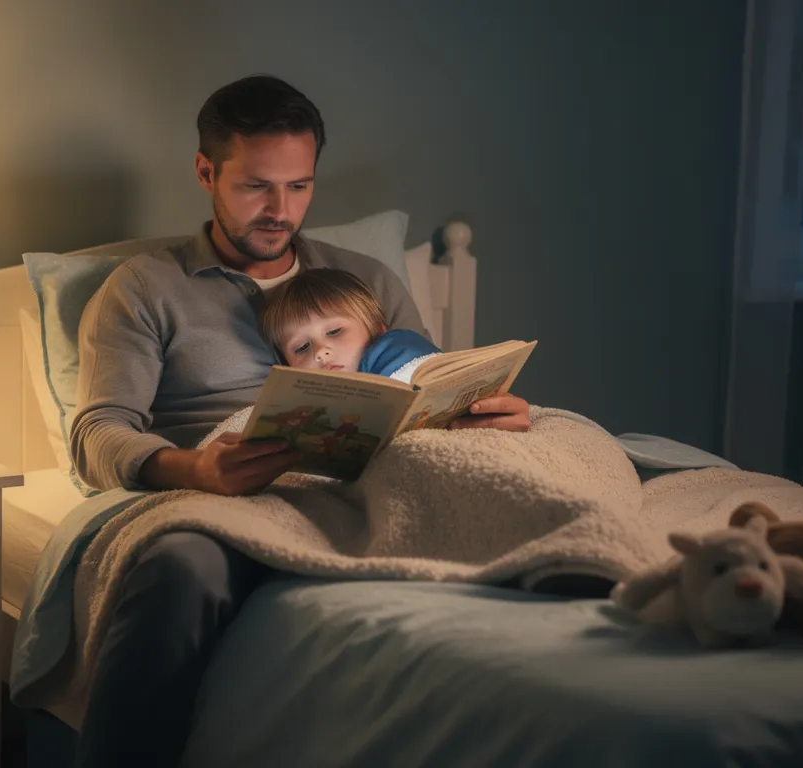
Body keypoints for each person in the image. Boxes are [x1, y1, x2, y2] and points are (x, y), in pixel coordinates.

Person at [70, 74, 530, 767]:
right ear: (206, 172)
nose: (280, 210)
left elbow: (424, 383)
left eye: (299, 186)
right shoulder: (144, 288)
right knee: (179, 567)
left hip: (374, 485)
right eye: (256, 186)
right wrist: (197, 469)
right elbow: (98, 433)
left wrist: (483, 409)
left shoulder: (367, 279)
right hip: (230, 497)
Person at [259, 266, 445, 382]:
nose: (320, 352)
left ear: (377, 329)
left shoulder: (394, 349)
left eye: (334, 331)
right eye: (302, 348)